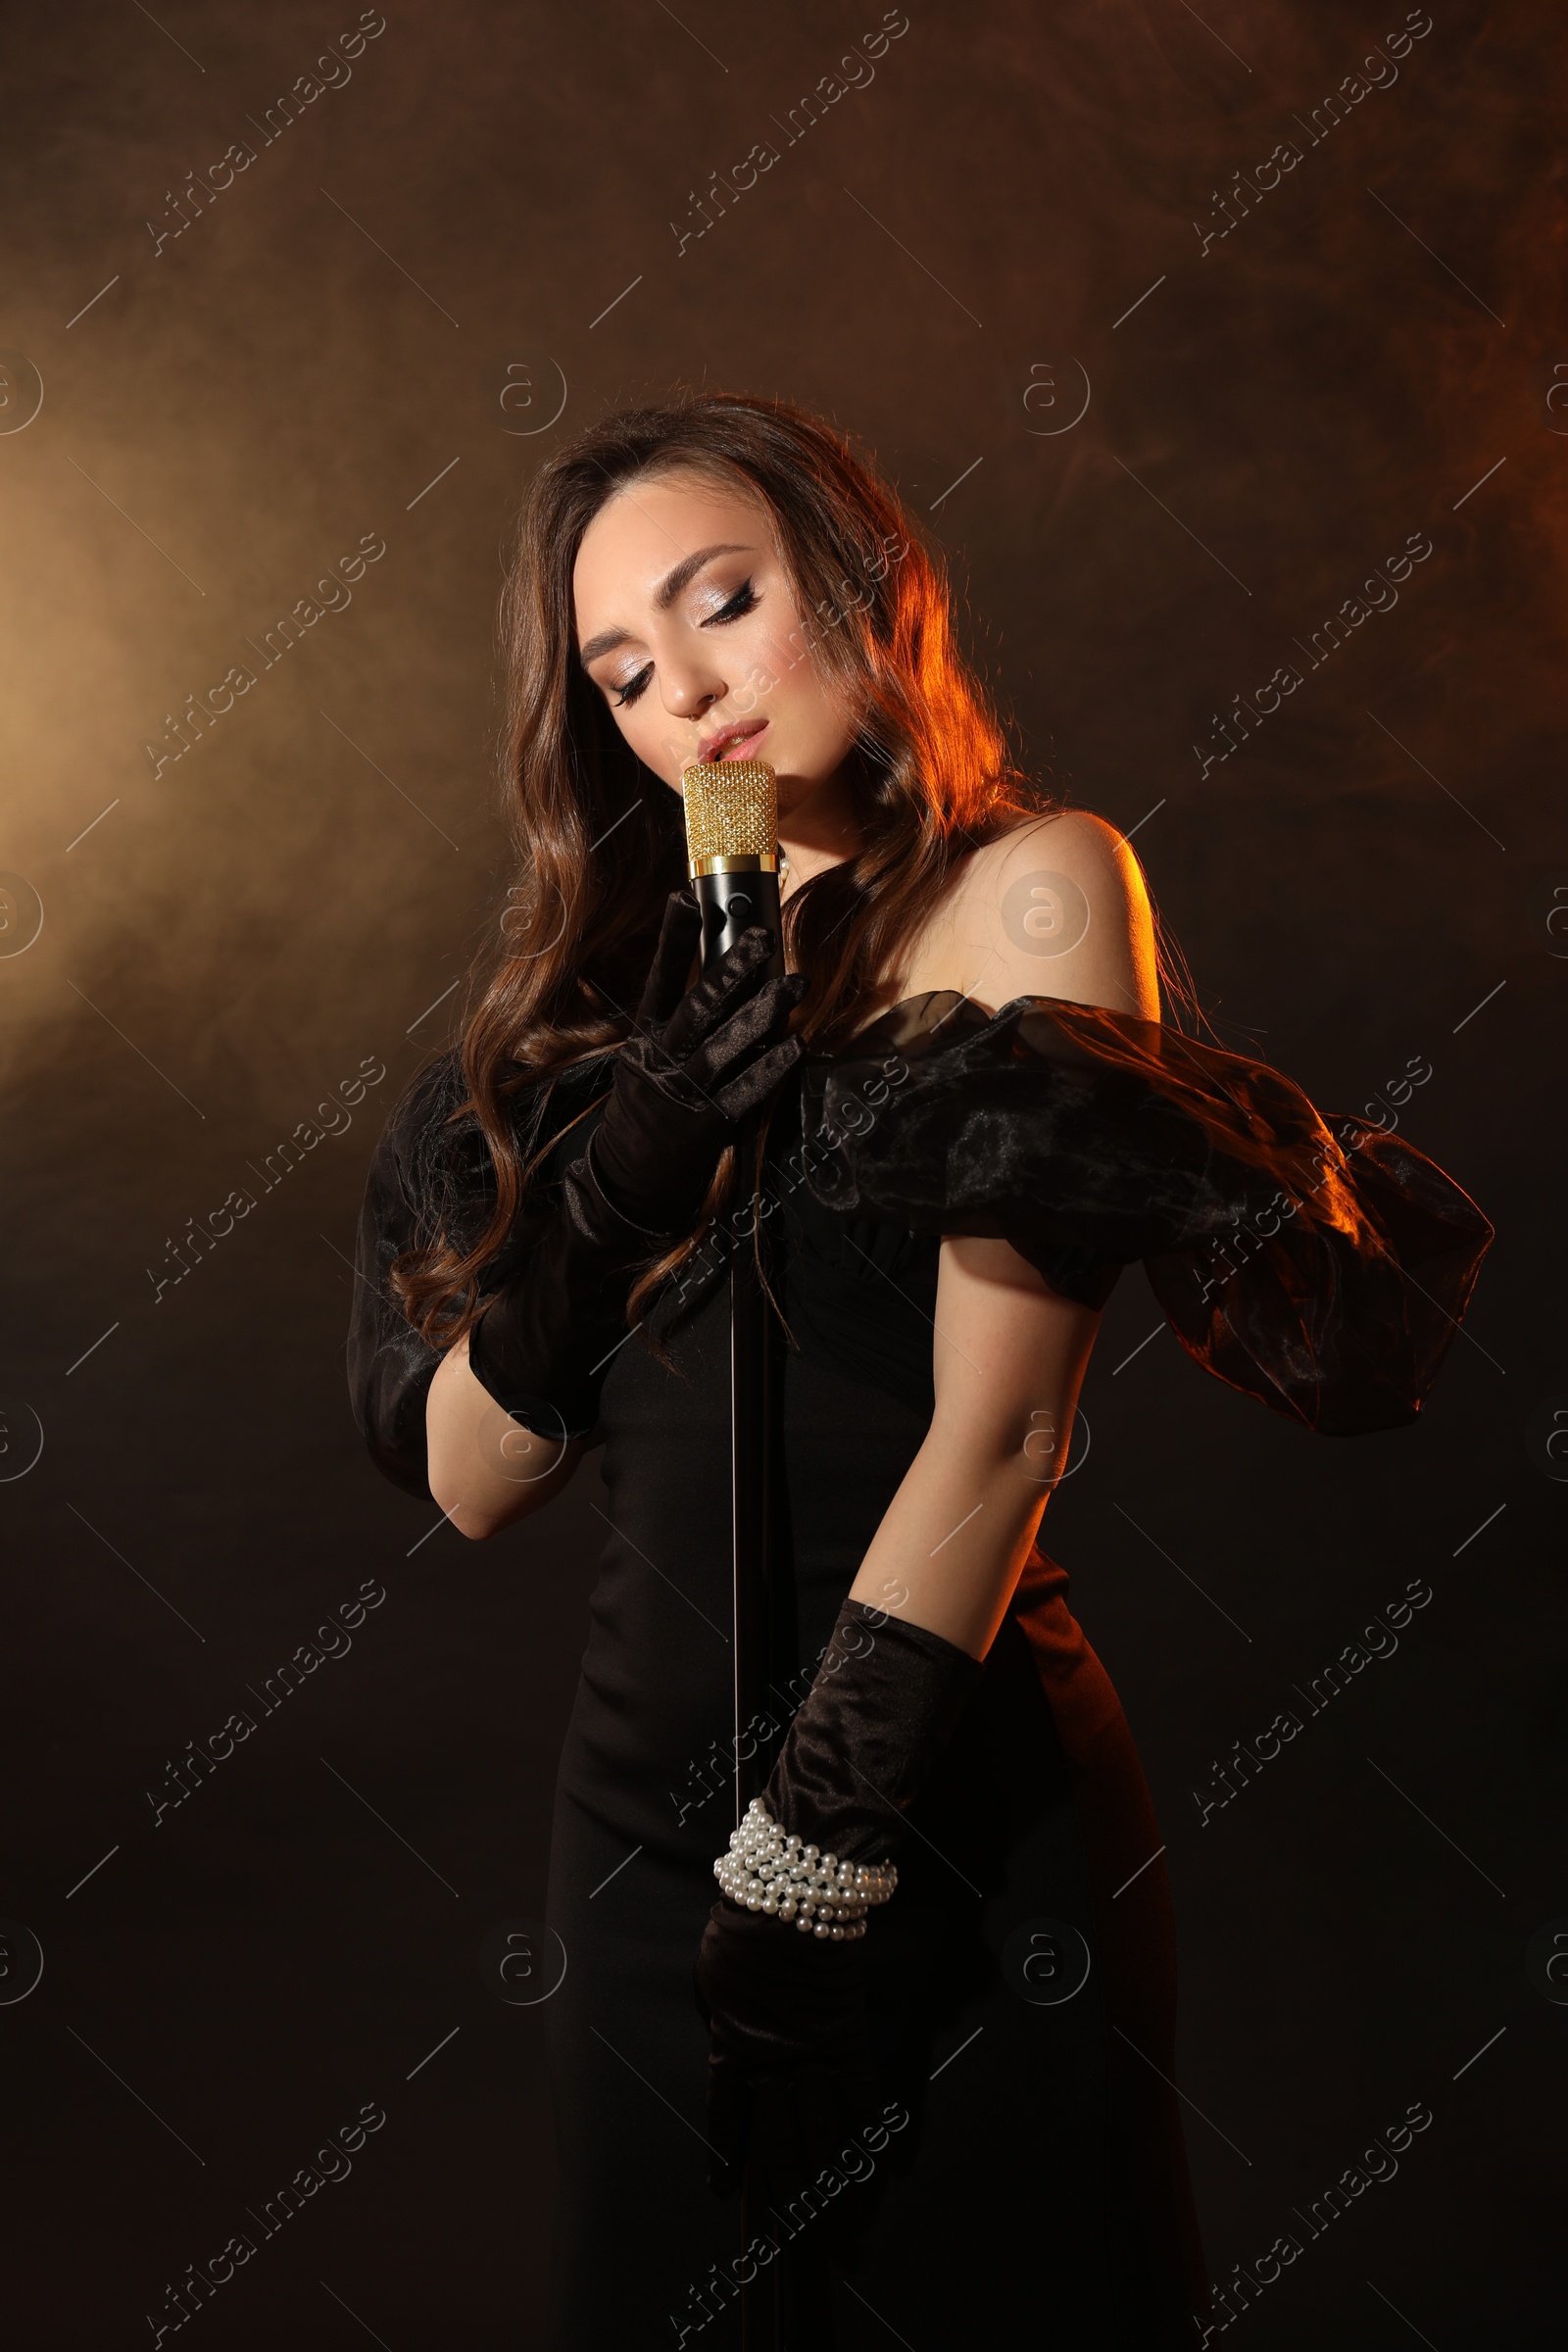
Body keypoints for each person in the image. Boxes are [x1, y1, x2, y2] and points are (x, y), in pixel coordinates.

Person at [347, 393, 1492, 2350]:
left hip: (943, 1808)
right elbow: (468, 1478)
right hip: (634, 1846)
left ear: (863, 589)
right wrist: (623, 1174)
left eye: (723, 603)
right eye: (621, 671)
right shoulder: (593, 1006)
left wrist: (807, 1857)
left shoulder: (1028, 886)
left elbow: (1005, 1420)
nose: (683, 694)